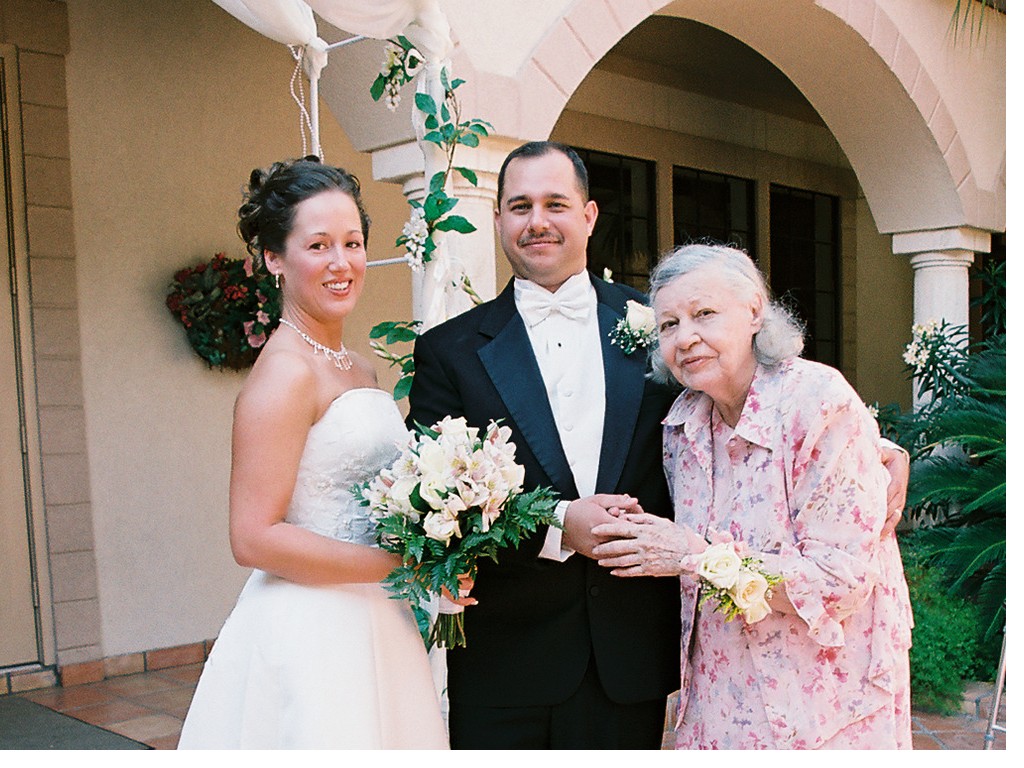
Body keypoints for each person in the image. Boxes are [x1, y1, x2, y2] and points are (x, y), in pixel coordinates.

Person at [408, 142, 910, 749]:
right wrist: (558, 525)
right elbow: (430, 494)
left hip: (630, 662)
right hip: (508, 658)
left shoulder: (655, 325)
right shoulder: (449, 350)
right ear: (499, 220)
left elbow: (764, 390)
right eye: (520, 205)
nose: (537, 221)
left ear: (590, 216)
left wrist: (875, 448)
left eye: (556, 204)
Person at [592, 243, 914, 749]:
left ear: (754, 311)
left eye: (704, 314)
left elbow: (840, 581)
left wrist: (696, 557)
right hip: (721, 701)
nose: (686, 337)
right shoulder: (682, 424)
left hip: (822, 703)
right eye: (669, 324)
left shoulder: (818, 403)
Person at [178, 157, 447, 749]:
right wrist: (406, 567)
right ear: (274, 258)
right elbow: (253, 537)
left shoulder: (358, 366)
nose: (341, 262)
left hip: (381, 618)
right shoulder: (284, 375)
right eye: (318, 245)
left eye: (353, 243)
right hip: (313, 631)